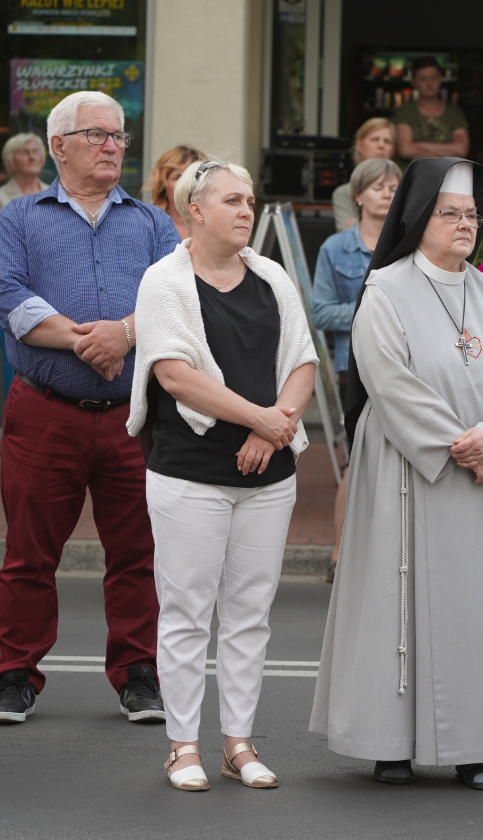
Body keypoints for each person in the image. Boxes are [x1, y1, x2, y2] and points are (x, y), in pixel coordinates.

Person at [311, 158, 483, 791]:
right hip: (408, 467)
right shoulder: (386, 289)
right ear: (419, 219)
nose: (466, 225)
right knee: (395, 600)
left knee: (479, 608)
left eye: (472, 215)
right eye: (451, 214)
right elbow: (387, 379)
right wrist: (460, 444)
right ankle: (391, 744)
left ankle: (479, 745)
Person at [0, 90, 175, 725]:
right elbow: (6, 295)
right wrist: (86, 338)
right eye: (98, 135)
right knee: (30, 551)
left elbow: (179, 298)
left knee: (138, 552)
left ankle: (138, 672)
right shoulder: (20, 217)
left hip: (133, 416)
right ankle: (15, 674)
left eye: (119, 136)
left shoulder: (151, 223)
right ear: (58, 144)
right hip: (46, 412)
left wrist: (125, 332)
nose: (113, 147)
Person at [128, 158, 318, 792]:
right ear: (194, 211)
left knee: (249, 613)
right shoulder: (163, 281)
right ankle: (183, 746)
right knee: (185, 611)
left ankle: (238, 741)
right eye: (233, 200)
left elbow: (303, 361)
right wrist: (264, 421)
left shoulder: (272, 277)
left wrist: (274, 428)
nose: (247, 210)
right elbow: (175, 375)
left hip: (270, 473)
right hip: (192, 472)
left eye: (252, 200)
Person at [312, 157, 401, 581]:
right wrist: (375, 312)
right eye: (378, 186)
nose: (387, 192)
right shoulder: (335, 248)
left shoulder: (410, 242)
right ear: (359, 195)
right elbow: (321, 311)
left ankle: (391, 559)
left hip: (405, 366)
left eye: (394, 186)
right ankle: (339, 555)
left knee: (401, 460)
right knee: (357, 462)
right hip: (355, 366)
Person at [0, 132, 49, 398]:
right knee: (12, 367)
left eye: (36, 151)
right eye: (25, 152)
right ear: (10, 162)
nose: (33, 156)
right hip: (14, 294)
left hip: (50, 294)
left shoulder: (55, 194)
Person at [392, 58, 470, 166]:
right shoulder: (404, 112)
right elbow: (405, 150)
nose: (429, 83)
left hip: (447, 179)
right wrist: (442, 159)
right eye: (423, 79)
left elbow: (461, 150)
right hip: (413, 178)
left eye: (433, 78)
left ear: (441, 79)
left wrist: (417, 145)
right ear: (413, 82)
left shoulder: (455, 113)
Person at [331, 118, 395, 231]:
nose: (381, 145)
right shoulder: (344, 193)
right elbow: (349, 237)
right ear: (359, 145)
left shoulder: (406, 188)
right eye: (375, 139)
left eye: (387, 141)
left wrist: (360, 226)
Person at [142, 144, 206, 240]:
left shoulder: (215, 225)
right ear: (163, 186)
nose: (186, 183)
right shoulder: (151, 228)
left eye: (193, 177)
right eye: (178, 177)